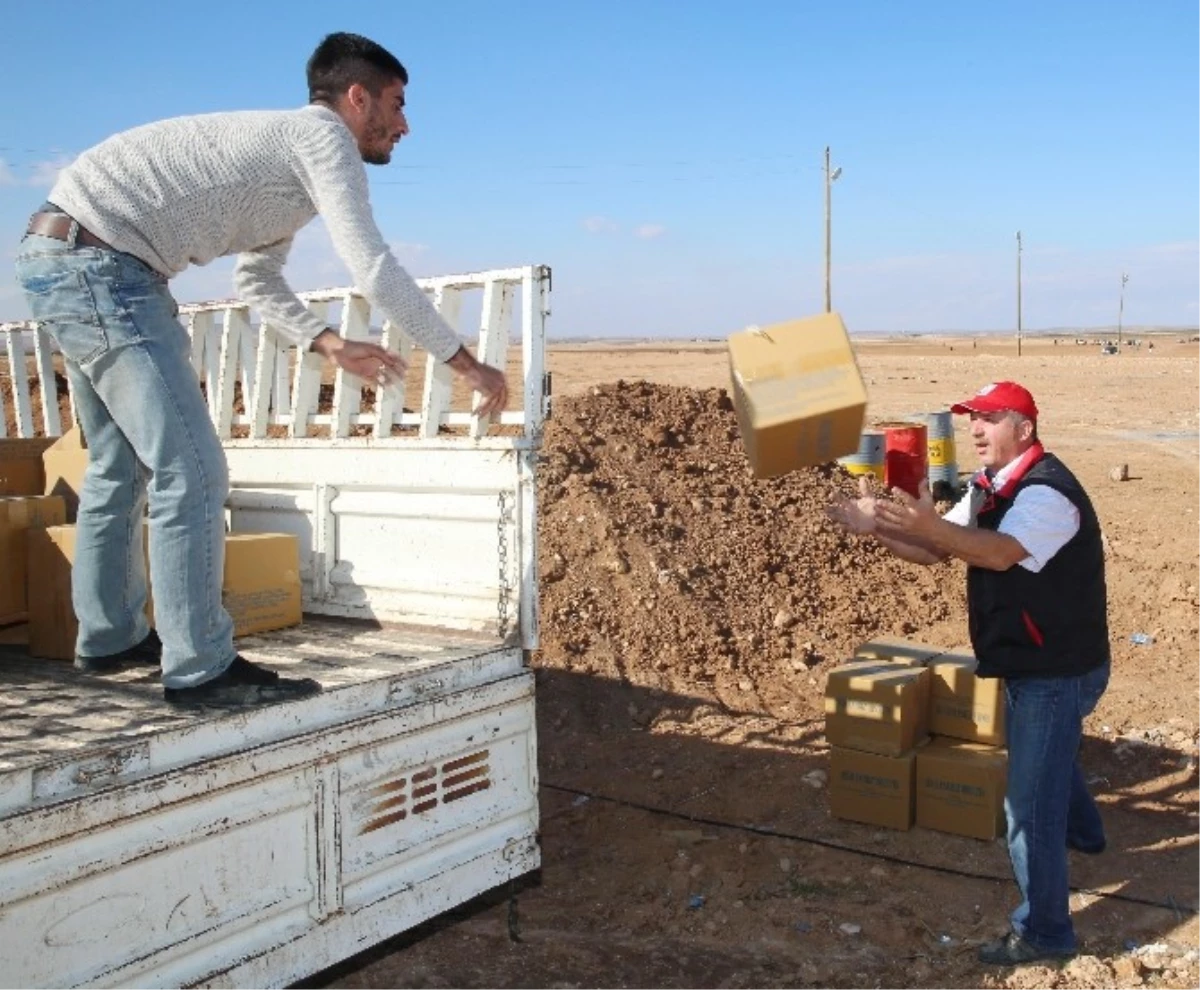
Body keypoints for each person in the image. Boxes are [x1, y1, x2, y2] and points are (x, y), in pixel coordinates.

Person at [14, 32, 508, 708]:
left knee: (119, 464)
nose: (404, 124)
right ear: (356, 97)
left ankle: (110, 637)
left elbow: (258, 281)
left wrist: (327, 344)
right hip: (103, 266)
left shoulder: (288, 173)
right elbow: (372, 265)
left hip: (70, 255)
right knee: (191, 469)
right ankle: (200, 671)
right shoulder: (321, 141)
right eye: (395, 104)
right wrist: (464, 361)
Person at [827, 381, 1111, 966]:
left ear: (1024, 429)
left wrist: (930, 527)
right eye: (971, 420)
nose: (975, 430)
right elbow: (935, 550)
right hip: (1027, 660)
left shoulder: (1047, 494)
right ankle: (1085, 835)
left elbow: (998, 552)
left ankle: (1045, 933)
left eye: (988, 419)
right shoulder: (988, 488)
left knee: (1026, 806)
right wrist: (877, 528)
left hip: (1057, 669)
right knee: (1049, 755)